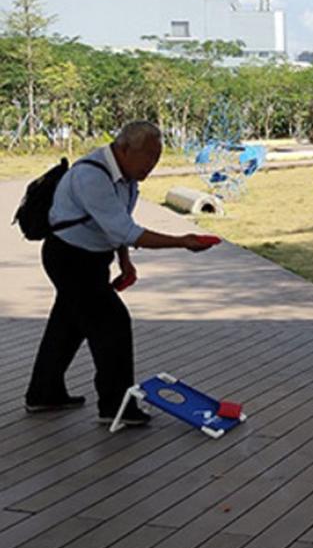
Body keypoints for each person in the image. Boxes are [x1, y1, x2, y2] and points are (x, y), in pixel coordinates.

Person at [25, 121, 218, 425]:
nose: (151, 166)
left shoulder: (127, 177)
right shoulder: (92, 176)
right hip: (69, 258)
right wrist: (182, 242)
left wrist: (124, 262)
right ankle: (116, 406)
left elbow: (115, 225)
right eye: (148, 157)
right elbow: (126, 229)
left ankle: (44, 393)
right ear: (125, 148)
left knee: (68, 324)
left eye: (157, 159)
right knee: (111, 323)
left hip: (92, 258)